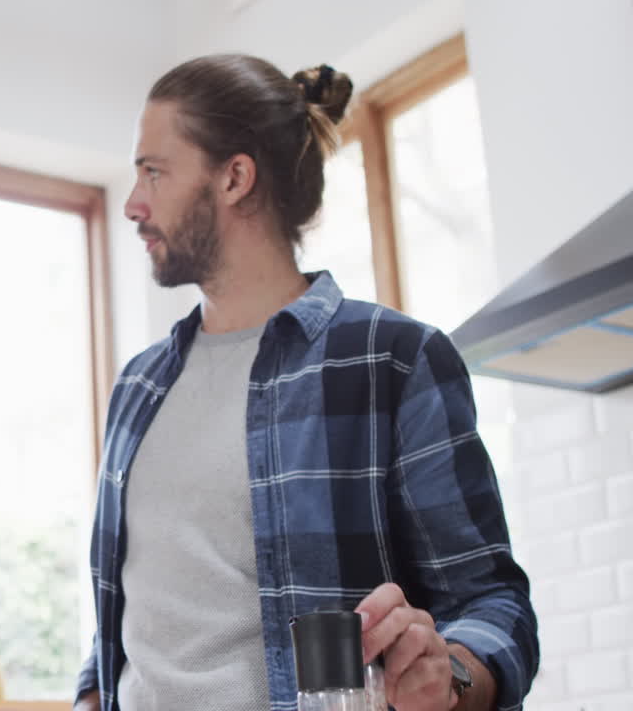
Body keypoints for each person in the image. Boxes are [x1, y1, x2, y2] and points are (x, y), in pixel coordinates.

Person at [74, 56, 538, 711]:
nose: (132, 203)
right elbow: (127, 620)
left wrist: (452, 676)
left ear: (234, 178)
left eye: (154, 170)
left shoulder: (393, 360)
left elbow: (493, 601)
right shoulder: (138, 387)